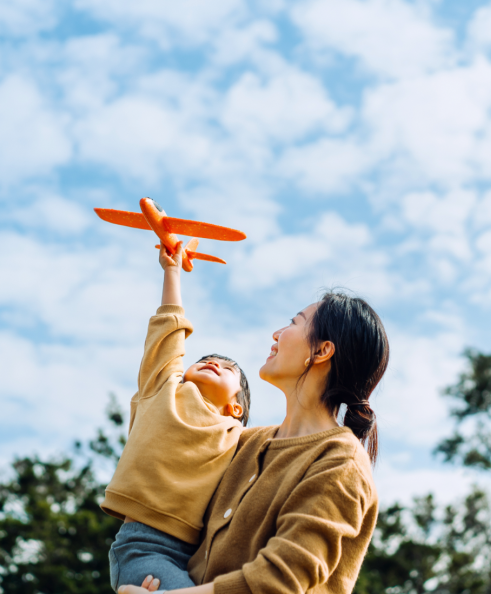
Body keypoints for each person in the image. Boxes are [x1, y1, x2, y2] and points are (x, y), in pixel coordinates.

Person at [121, 289, 388, 594]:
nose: (276, 334)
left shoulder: (340, 462)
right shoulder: (242, 443)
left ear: (321, 351)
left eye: (294, 322)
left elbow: (279, 580)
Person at [104, 241, 251, 593]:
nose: (215, 362)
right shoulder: (164, 389)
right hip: (142, 547)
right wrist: (172, 271)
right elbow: (168, 332)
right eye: (205, 360)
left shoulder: (235, 435)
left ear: (236, 408)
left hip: (198, 556)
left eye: (229, 368)